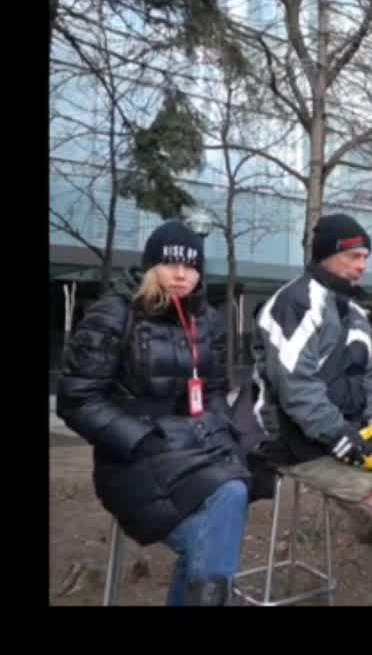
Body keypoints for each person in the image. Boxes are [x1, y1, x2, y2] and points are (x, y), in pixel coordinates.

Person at [57, 220, 251, 606]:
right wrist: (140, 438)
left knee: (238, 488)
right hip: (132, 459)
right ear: (150, 267)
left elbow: (212, 391)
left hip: (194, 454)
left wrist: (217, 433)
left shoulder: (208, 320)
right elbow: (77, 399)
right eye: (170, 264)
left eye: (191, 266)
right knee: (220, 516)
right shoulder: (113, 314)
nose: (181, 274)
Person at [251, 213, 372, 606]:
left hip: (349, 433)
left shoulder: (354, 311)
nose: (362, 265)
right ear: (326, 256)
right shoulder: (296, 302)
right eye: (354, 256)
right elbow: (295, 389)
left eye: (366, 256)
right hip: (298, 443)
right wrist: (342, 440)